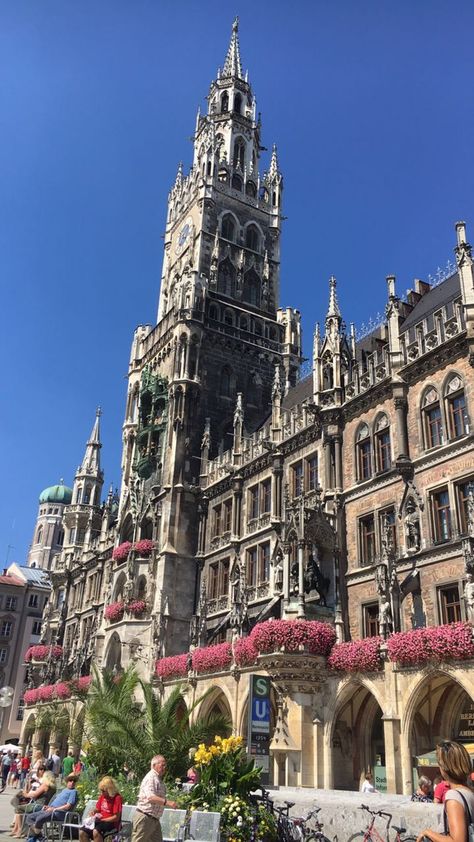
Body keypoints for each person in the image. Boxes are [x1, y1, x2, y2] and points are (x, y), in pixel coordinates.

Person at [416, 740, 474, 842]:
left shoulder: (454, 796)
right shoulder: (469, 792)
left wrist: (428, 832)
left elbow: (458, 841)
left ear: (445, 768)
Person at [132, 755, 177, 842]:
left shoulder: (157, 778)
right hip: (145, 817)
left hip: (154, 819)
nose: (164, 768)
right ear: (154, 765)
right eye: (162, 765)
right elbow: (151, 797)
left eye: (165, 765)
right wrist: (168, 802)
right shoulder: (151, 777)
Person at [25, 774, 79, 841]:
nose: (72, 782)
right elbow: (58, 802)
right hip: (51, 810)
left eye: (74, 781)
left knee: (40, 818)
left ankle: (37, 837)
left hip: (59, 814)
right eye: (70, 781)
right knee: (30, 817)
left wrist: (54, 809)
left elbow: (68, 806)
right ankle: (39, 836)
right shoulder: (64, 790)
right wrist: (49, 807)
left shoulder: (73, 792)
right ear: (67, 782)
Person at [11, 768, 57, 837]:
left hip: (38, 806)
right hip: (44, 806)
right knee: (20, 809)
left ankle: (20, 831)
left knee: (18, 808)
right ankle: (16, 830)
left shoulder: (45, 785)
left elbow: (34, 794)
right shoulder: (53, 787)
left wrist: (25, 794)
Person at [79, 777, 123, 842]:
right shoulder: (103, 796)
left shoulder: (117, 798)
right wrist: (94, 811)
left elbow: (116, 818)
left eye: (103, 791)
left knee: (96, 831)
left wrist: (102, 820)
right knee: (82, 832)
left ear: (109, 790)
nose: (102, 793)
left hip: (111, 823)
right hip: (100, 821)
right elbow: (98, 809)